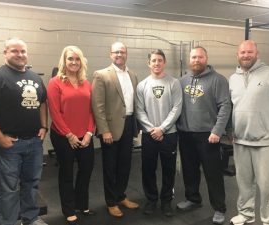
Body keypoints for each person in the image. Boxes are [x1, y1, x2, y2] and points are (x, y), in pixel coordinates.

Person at [0, 38, 48, 225]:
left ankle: (30, 218)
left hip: (34, 143)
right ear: (5, 53)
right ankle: (10, 222)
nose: (20, 55)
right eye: (15, 51)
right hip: (10, 144)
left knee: (31, 184)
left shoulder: (36, 77)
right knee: (9, 189)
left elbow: (43, 102)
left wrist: (44, 127)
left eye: (23, 51)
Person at [229, 40, 269, 225]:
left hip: (266, 141)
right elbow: (232, 108)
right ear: (237, 55)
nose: (246, 55)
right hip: (240, 140)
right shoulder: (233, 78)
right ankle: (246, 214)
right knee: (244, 184)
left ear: (257, 53)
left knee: (268, 186)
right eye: (242, 52)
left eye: (250, 52)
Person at [176, 46, 231, 224]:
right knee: (189, 171)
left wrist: (217, 131)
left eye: (200, 57)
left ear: (206, 58)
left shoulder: (218, 80)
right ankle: (193, 199)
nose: (196, 60)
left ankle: (219, 208)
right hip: (185, 134)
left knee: (213, 174)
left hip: (208, 135)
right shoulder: (182, 80)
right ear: (189, 59)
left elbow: (225, 106)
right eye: (193, 57)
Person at [47, 46, 95, 225]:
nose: (74, 62)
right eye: (70, 59)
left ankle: (82, 205)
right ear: (64, 61)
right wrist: (69, 135)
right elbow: (55, 112)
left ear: (81, 61)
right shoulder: (55, 82)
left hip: (85, 135)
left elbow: (91, 111)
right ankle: (68, 209)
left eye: (77, 59)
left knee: (87, 170)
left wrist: (89, 133)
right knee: (67, 173)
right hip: (63, 136)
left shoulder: (86, 83)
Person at [91, 41, 139, 218]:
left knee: (125, 165)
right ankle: (111, 202)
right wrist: (104, 130)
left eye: (122, 52)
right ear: (110, 54)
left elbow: (134, 103)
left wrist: (137, 127)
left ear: (126, 54)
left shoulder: (133, 75)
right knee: (110, 167)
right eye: (116, 52)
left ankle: (121, 196)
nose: (119, 55)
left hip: (129, 125)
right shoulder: (101, 75)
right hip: (110, 128)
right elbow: (98, 105)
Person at [136, 49, 182, 217]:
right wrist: (152, 130)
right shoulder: (142, 85)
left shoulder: (173, 83)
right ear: (149, 63)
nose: (156, 63)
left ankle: (166, 201)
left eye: (160, 60)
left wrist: (162, 128)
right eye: (154, 60)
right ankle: (151, 200)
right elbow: (139, 111)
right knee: (148, 168)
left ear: (165, 63)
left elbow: (177, 108)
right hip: (149, 135)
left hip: (169, 134)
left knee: (168, 169)